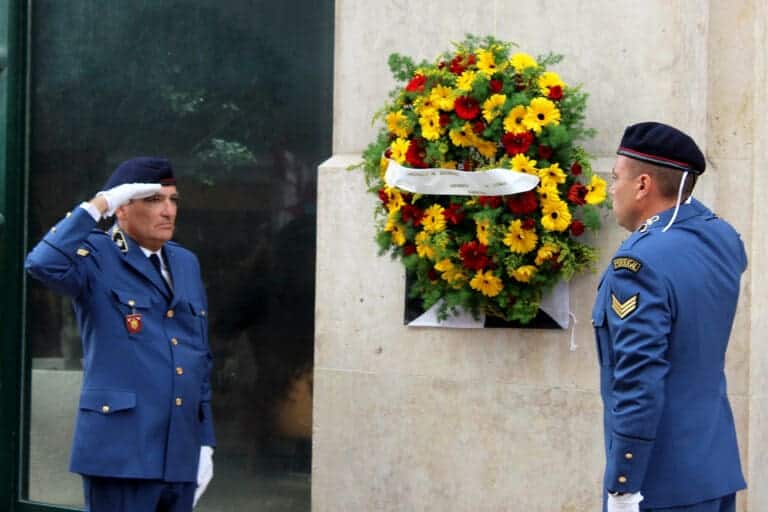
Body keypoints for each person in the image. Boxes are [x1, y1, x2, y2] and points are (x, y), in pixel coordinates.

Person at [25, 157, 215, 511]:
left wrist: (205, 441)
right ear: (123, 208)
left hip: (180, 451)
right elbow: (41, 263)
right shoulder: (96, 254)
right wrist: (101, 203)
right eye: (154, 200)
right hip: (121, 453)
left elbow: (198, 356)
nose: (168, 211)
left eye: (173, 200)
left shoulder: (185, 262)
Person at [593, 122, 747, 512]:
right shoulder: (722, 240)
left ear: (643, 185)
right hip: (712, 471)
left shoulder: (638, 263)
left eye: (616, 178)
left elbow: (638, 380)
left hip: (659, 485)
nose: (612, 189)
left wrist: (624, 486)